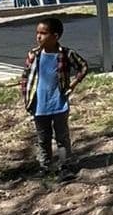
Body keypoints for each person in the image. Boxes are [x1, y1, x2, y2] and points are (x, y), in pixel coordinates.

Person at [20, 17, 89, 180]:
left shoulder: (65, 54)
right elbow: (25, 76)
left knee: (62, 138)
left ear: (55, 36)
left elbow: (83, 66)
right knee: (43, 138)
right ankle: (45, 166)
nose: (38, 37)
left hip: (59, 105)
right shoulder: (34, 54)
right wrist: (26, 96)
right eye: (37, 33)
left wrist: (73, 84)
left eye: (43, 33)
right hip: (39, 106)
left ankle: (65, 166)